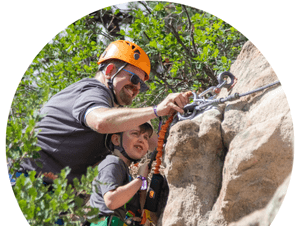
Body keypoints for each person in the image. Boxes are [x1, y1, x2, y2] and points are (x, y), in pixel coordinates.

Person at [18, 40, 192, 185]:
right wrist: (156, 110)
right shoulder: (93, 91)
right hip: (24, 182)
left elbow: (156, 142)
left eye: (142, 85)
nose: (138, 88)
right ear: (109, 71)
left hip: (48, 195)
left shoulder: (114, 111)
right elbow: (100, 121)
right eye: (134, 79)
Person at [84, 122, 153, 226]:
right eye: (135, 133)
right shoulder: (112, 163)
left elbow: (141, 210)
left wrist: (142, 182)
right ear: (116, 139)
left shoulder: (124, 172)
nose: (142, 140)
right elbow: (111, 200)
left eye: (146, 137)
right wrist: (140, 179)